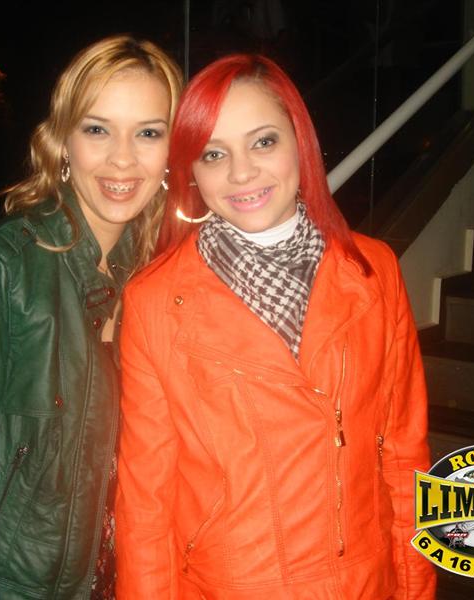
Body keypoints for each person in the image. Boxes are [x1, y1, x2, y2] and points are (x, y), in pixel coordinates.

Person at [115, 54, 436, 599]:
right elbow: (145, 505)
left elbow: (405, 458)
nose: (241, 173)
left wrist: (414, 587)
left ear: (300, 144)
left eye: (263, 142)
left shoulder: (374, 270)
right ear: (192, 171)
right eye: (214, 153)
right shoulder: (154, 302)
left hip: (366, 583)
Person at [0, 35, 182, 599]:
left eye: (148, 133)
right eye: (97, 129)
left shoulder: (156, 280)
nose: (123, 158)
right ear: (62, 141)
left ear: (170, 151)